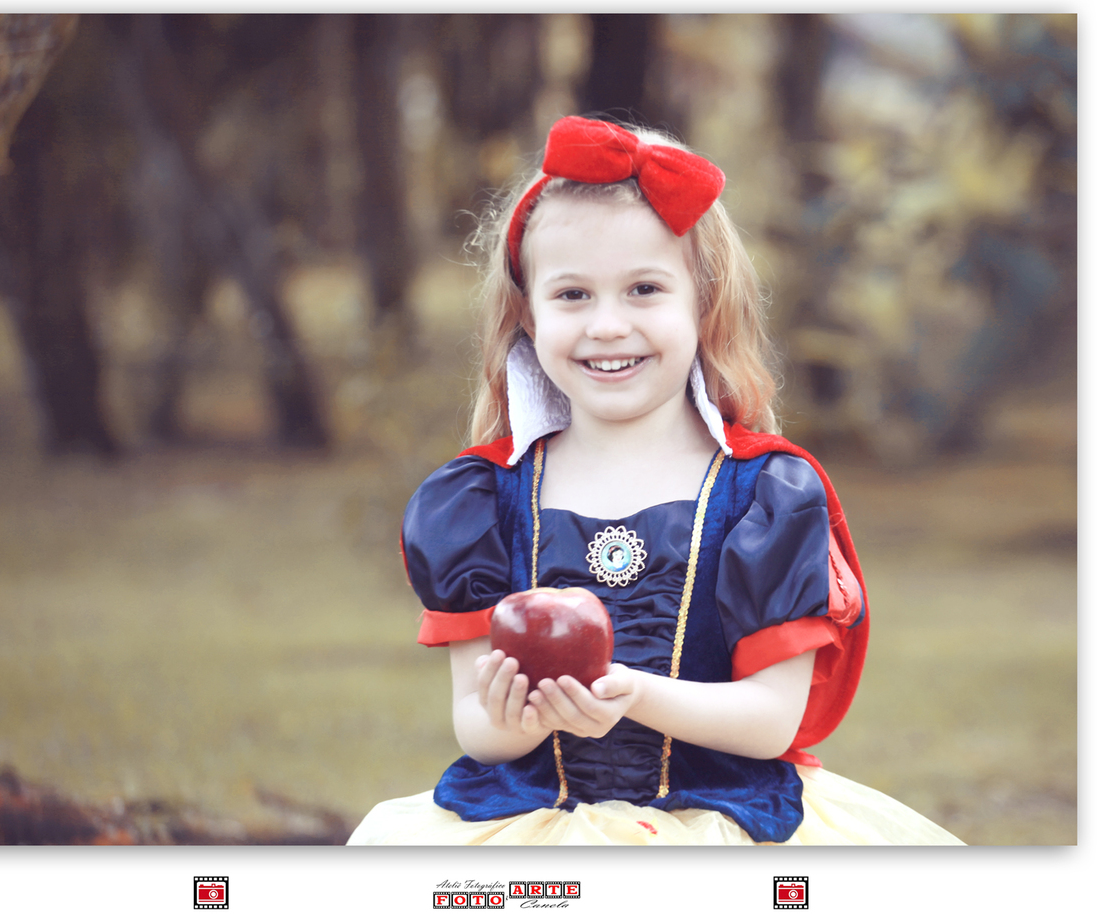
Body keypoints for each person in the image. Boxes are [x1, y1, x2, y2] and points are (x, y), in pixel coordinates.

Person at [347, 116, 963, 845]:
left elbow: (771, 723)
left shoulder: (765, 496)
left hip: (721, 822)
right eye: (572, 295)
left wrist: (634, 694)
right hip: (535, 825)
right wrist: (522, 716)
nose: (608, 325)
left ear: (704, 305)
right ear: (526, 316)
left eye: (644, 289)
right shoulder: (481, 501)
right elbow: (479, 730)